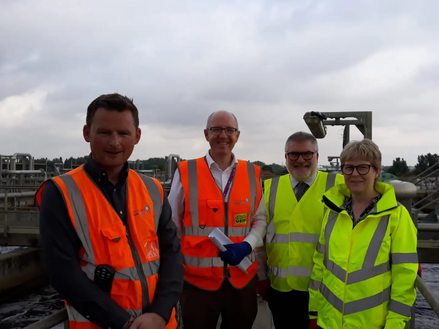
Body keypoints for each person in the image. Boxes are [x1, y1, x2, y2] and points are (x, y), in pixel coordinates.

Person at [36, 93, 183, 329]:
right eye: (105, 132)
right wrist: (124, 324)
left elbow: (172, 255)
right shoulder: (61, 192)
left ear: (137, 136)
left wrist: (161, 312)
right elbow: (64, 274)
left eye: (123, 133)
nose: (115, 142)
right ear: (87, 133)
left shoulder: (152, 189)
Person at [168, 110, 266, 329]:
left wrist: (246, 245)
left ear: (237, 135)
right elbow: (172, 225)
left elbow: (260, 220)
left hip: (241, 280)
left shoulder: (252, 173)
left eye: (229, 130)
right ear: (206, 134)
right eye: (217, 129)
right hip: (197, 283)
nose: (223, 135)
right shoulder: (186, 171)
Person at [308, 139, 419, 329]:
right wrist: (314, 312)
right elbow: (320, 265)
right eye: (348, 168)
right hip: (328, 322)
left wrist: (395, 324)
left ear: (377, 171)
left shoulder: (396, 216)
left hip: (373, 324)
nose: (354, 174)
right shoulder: (332, 211)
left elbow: (405, 277)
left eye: (363, 168)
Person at [255, 131, 342, 329]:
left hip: (325, 290)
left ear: (317, 156)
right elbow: (260, 239)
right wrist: (261, 277)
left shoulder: (338, 186)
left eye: (307, 154)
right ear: (285, 157)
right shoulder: (269, 188)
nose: (300, 159)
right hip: (281, 290)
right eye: (293, 154)